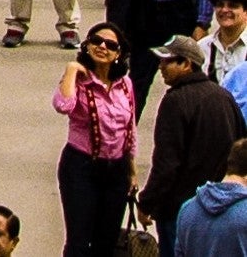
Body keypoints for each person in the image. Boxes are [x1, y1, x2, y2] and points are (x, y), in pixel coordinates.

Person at [143, 34, 240, 257]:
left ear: (186, 64)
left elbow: (167, 163)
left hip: (181, 211)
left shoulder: (175, 101)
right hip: (224, 209)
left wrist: (148, 202)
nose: (161, 66)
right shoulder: (224, 97)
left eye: (167, 61)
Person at [54, 23, 139, 257]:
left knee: (107, 241)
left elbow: (129, 128)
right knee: (79, 241)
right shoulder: (79, 80)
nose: (102, 47)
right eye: (96, 41)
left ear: (118, 53)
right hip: (81, 166)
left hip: (116, 169)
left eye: (110, 45)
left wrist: (132, 171)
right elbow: (64, 105)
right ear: (87, 44)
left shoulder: (126, 84)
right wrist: (71, 70)